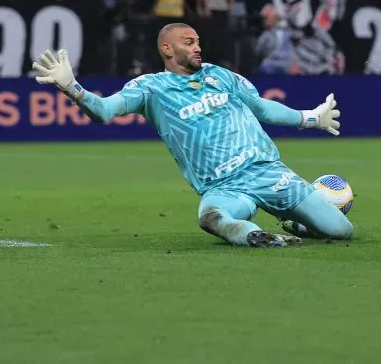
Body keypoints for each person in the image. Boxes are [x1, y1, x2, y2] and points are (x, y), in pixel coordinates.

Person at [31, 23, 351, 248]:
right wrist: (72, 88)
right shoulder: (150, 88)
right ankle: (254, 236)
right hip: (222, 186)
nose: (197, 47)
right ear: (167, 49)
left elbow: (262, 108)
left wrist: (311, 117)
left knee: (340, 230)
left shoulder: (220, 74)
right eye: (189, 42)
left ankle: (297, 224)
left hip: (268, 172)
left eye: (198, 41)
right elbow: (103, 111)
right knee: (211, 217)